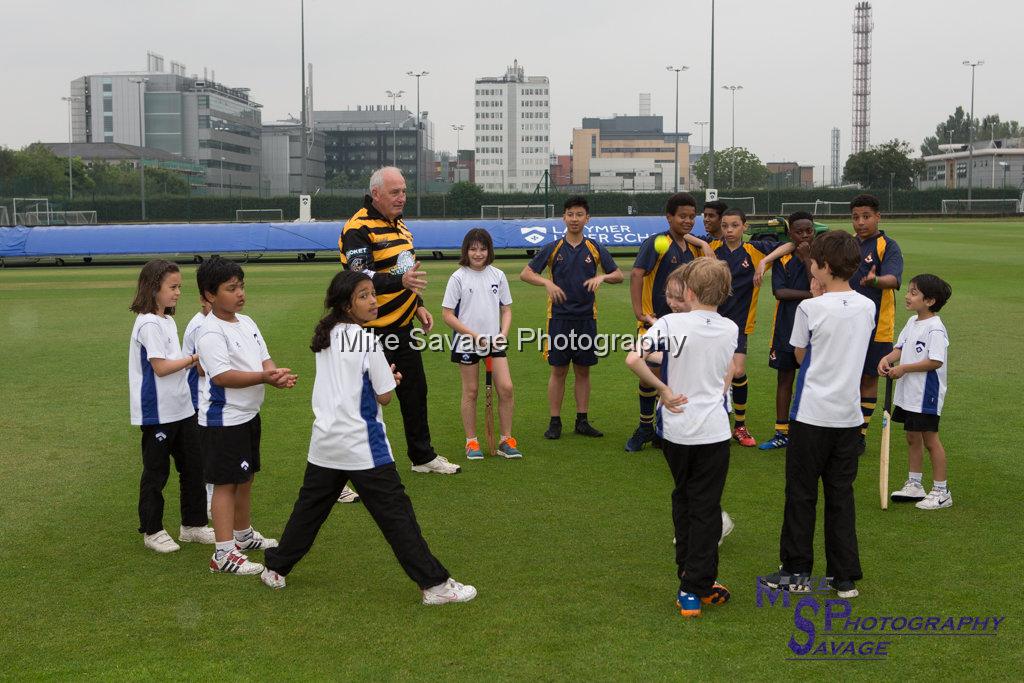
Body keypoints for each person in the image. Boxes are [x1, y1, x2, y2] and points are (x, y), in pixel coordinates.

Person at [260, 271, 477, 605]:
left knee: (309, 511)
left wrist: (380, 379)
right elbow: (385, 395)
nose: (373, 301)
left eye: (373, 293)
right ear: (347, 303)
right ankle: (435, 586)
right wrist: (390, 378)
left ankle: (275, 569)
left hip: (325, 442)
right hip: (361, 444)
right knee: (397, 517)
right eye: (364, 295)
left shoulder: (328, 334)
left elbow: (354, 382)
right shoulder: (366, 340)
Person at [760, 230, 875, 600]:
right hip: (848, 417)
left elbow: (798, 356)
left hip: (811, 415)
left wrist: (815, 298)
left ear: (823, 267)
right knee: (841, 495)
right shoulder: (867, 306)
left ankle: (796, 571)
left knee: (801, 494)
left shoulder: (811, 307)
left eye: (813, 261)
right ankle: (844, 578)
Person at [625, 259, 736, 618]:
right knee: (704, 507)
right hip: (714, 431)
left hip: (677, 429)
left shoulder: (671, 323)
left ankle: (693, 580)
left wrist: (662, 390)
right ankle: (695, 585)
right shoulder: (730, 328)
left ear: (688, 292)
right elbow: (727, 372)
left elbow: (633, 359)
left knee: (685, 499)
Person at [340, 166, 460, 475]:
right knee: (360, 402)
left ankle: (422, 457)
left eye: (404, 191)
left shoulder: (401, 226)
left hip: (402, 329)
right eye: (395, 192)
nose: (402, 197)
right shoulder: (358, 227)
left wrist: (417, 304)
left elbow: (404, 270)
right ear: (376, 193)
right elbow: (359, 275)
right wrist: (402, 283)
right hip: (370, 332)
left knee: (415, 392)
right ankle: (339, 472)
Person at [195, 257, 297, 576]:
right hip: (223, 419)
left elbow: (264, 360)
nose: (240, 294)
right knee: (226, 484)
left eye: (241, 287)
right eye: (231, 288)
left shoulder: (247, 322)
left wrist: (275, 375)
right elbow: (221, 376)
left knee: (246, 476)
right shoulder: (210, 331)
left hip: (247, 415)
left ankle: (242, 534)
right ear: (210, 295)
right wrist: (266, 378)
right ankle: (223, 553)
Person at [128, 260, 214, 554]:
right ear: (154, 288)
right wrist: (193, 358)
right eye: (173, 287)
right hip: (158, 411)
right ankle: (152, 530)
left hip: (181, 408)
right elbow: (161, 368)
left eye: (179, 287)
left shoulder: (166, 320)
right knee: (156, 472)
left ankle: (193, 525)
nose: (178, 293)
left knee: (193, 467)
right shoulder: (149, 322)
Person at [520, 195, 623, 439]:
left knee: (583, 371)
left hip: (587, 319)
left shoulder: (595, 248)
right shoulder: (553, 247)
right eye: (570, 214)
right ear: (563, 217)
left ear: (587, 218)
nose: (574, 219)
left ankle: (582, 420)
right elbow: (526, 273)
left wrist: (603, 277)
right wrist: (546, 282)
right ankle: (555, 421)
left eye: (579, 214)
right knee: (558, 371)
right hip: (558, 319)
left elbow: (618, 274)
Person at [626, 192, 715, 452]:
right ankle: (645, 426)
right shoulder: (658, 243)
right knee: (650, 374)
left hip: (685, 324)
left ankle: (663, 429)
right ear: (669, 217)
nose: (687, 221)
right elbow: (637, 274)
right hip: (655, 321)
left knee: (677, 374)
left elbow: (710, 268)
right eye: (682, 216)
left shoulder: (694, 247)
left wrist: (697, 240)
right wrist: (639, 311)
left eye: (691, 217)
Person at [709, 209, 795, 447]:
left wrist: (765, 262)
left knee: (736, 372)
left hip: (739, 324)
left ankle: (740, 425)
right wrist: (701, 244)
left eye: (734, 225)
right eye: (725, 225)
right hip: (711, 322)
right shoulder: (712, 247)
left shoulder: (754, 250)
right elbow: (688, 239)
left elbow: (790, 245)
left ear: (744, 227)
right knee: (714, 372)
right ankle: (714, 423)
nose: (729, 230)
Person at [442, 228, 520, 460]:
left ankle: (506, 440)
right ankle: (472, 442)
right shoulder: (458, 277)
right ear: (466, 250)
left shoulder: (498, 275)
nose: (478, 253)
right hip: (467, 343)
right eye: (473, 249)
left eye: (483, 248)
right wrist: (474, 335)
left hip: (494, 342)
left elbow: (506, 309)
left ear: (489, 250)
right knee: (471, 391)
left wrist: (502, 334)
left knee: (506, 388)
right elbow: (447, 315)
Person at [880, 274, 953, 510]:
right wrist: (887, 359)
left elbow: (935, 361)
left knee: (930, 440)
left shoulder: (935, 329)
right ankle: (915, 484)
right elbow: (900, 348)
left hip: (925, 395)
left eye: (913, 292)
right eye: (908, 291)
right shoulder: (912, 322)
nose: (907, 296)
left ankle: (942, 491)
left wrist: (903, 369)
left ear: (930, 300)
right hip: (908, 393)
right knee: (912, 437)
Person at [849, 194, 904, 454]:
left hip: (878, 324)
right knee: (848, 376)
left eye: (866, 217)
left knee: (869, 377)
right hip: (846, 323)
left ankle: (860, 433)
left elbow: (893, 279)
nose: (860, 222)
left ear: (878, 217)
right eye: (856, 217)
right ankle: (845, 427)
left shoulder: (887, 245)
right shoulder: (847, 245)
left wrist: (875, 281)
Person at [756, 212, 816, 450]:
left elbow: (819, 284)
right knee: (785, 378)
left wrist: (806, 260)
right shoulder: (783, 258)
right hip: (786, 326)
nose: (804, 235)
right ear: (790, 233)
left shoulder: (821, 255)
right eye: (799, 231)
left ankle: (808, 430)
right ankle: (781, 431)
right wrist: (812, 296)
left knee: (813, 378)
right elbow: (780, 292)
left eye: (808, 231)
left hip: (816, 328)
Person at [182, 295, 216, 515]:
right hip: (198, 395)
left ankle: (211, 499)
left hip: (204, 393)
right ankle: (210, 502)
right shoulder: (200, 325)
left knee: (209, 449)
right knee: (207, 450)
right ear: (203, 300)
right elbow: (202, 368)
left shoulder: (208, 322)